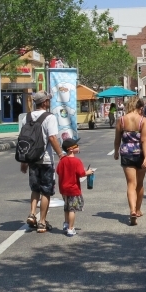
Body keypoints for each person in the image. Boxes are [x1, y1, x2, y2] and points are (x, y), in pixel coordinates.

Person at [21, 91, 64, 234]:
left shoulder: (26, 117)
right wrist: (61, 155)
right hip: (45, 160)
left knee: (35, 189)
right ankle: (42, 222)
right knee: (46, 191)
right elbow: (52, 138)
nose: (49, 102)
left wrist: (24, 161)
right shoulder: (49, 117)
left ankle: (32, 214)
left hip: (32, 159)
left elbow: (23, 141)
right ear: (44, 102)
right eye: (48, 100)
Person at [114, 96, 146, 225]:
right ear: (140, 107)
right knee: (139, 184)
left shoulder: (121, 120)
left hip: (126, 153)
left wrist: (116, 151)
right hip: (140, 153)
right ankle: (138, 209)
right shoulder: (143, 120)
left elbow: (117, 139)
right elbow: (144, 140)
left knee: (131, 184)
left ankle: (132, 210)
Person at [56, 138, 93, 237]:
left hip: (63, 189)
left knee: (66, 207)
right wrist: (88, 172)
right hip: (73, 189)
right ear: (71, 149)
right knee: (72, 209)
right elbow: (81, 173)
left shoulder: (62, 160)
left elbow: (58, 171)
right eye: (76, 145)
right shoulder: (77, 161)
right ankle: (70, 228)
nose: (78, 147)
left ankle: (66, 224)